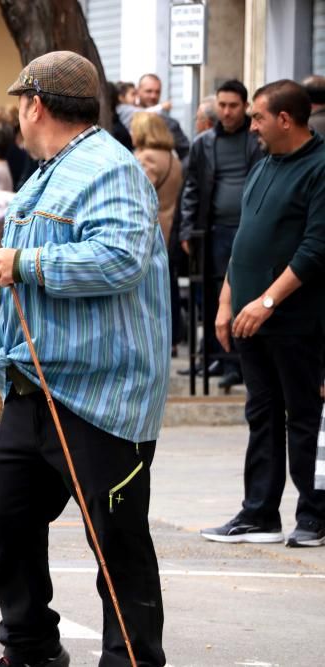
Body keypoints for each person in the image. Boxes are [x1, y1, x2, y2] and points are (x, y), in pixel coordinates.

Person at [0, 51, 169, 667]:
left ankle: (132, 659)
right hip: (31, 386)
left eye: (18, 106)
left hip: (99, 395)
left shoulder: (110, 168)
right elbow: (13, 263)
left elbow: (118, 260)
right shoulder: (44, 175)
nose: (17, 118)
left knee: (116, 544)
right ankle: (31, 649)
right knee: (7, 517)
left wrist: (22, 265)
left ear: (34, 106)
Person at [200, 79, 325, 548]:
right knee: (262, 414)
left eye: (257, 117)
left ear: (285, 120)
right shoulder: (264, 163)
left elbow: (315, 250)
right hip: (248, 316)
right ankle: (259, 514)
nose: (251, 125)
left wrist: (268, 301)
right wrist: (227, 301)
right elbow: (245, 239)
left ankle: (313, 515)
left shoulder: (318, 168)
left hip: (294, 320)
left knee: (304, 416)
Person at [179, 79, 263, 388]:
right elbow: (192, 188)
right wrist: (187, 229)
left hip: (250, 231)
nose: (226, 112)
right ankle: (216, 357)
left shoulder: (256, 140)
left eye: (233, 106)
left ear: (245, 107)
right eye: (222, 105)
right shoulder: (204, 143)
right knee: (213, 297)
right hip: (214, 230)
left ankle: (239, 363)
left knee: (243, 296)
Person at [131, 112, 182, 244]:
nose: (131, 133)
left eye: (133, 129)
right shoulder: (173, 158)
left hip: (150, 231)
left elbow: (137, 195)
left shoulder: (147, 158)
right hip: (169, 227)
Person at [137, 74, 189, 160]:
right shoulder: (125, 116)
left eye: (157, 92)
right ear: (138, 91)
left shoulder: (170, 124)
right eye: (148, 91)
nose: (153, 96)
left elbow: (186, 154)